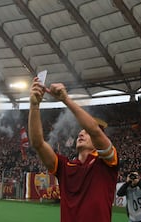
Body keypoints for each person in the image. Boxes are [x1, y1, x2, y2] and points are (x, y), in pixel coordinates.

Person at [28, 77, 119, 222]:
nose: (81, 133)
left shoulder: (107, 163)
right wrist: (34, 106)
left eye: (86, 132)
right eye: (80, 132)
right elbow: (37, 143)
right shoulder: (65, 167)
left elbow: (94, 130)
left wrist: (65, 99)